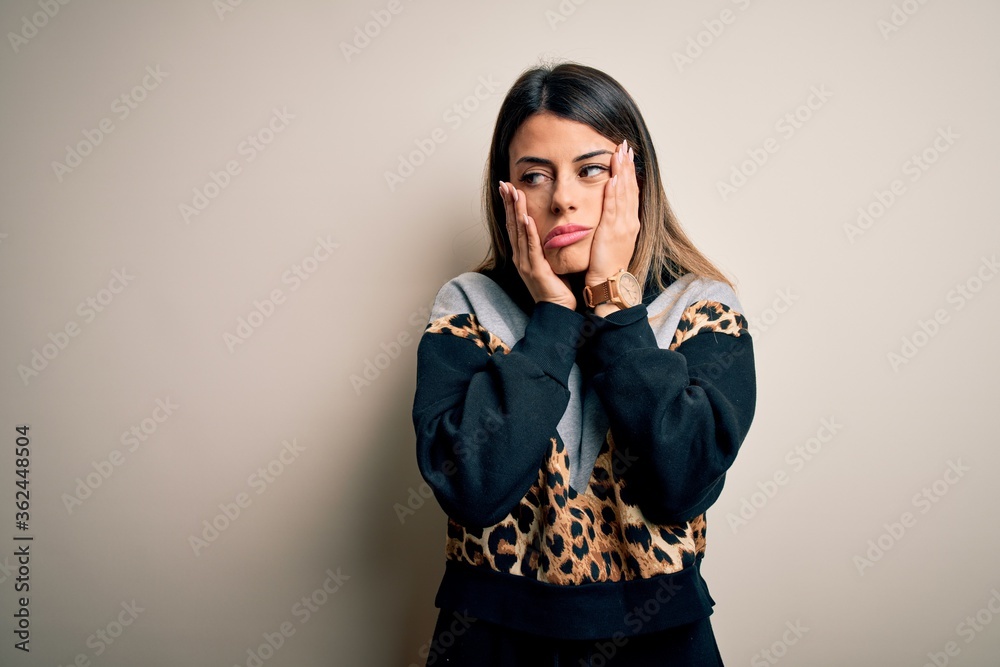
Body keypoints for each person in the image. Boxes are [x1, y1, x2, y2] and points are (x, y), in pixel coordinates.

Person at [410, 60, 756, 666]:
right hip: (489, 642)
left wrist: (615, 304)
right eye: (535, 176)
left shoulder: (700, 305)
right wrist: (552, 316)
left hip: (661, 642)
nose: (563, 199)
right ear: (507, 190)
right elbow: (471, 487)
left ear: (635, 178)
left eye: (591, 170)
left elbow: (684, 484)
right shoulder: (468, 304)